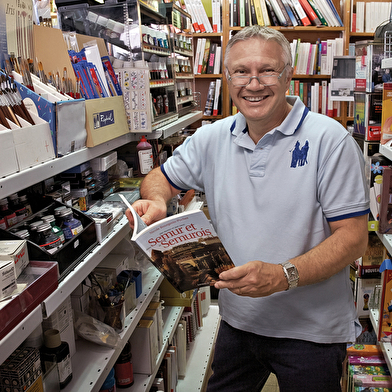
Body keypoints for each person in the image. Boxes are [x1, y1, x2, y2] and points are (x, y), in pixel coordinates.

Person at [125, 26, 370, 392]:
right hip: (238, 323)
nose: (253, 83)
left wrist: (283, 275)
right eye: (241, 71)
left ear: (288, 74)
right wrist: (159, 199)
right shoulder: (210, 137)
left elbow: (353, 240)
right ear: (227, 77)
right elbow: (160, 177)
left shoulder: (330, 141)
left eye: (267, 70)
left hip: (311, 332)